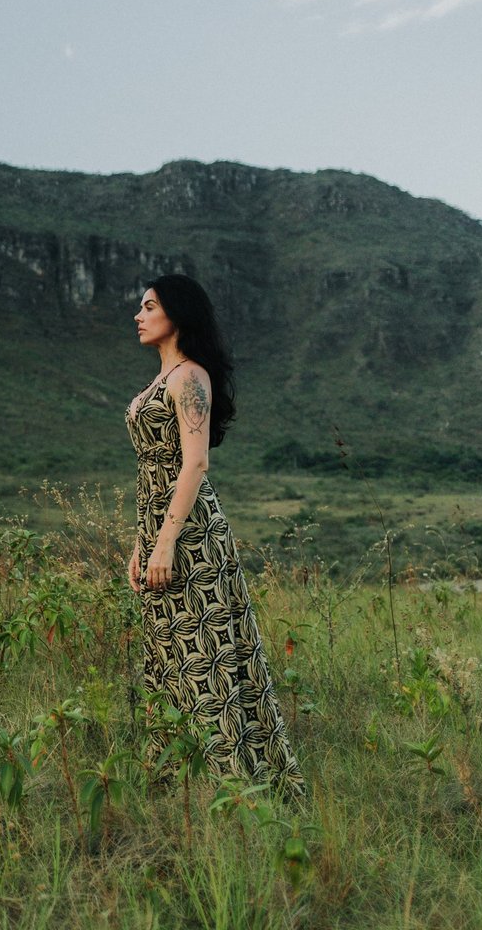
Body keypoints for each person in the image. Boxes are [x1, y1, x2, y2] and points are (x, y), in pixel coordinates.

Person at [125, 274, 304, 802]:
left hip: (192, 537)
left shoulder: (189, 377)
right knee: (167, 655)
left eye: (149, 306)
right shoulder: (162, 380)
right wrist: (141, 542)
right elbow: (150, 472)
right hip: (160, 528)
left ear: (177, 314)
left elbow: (195, 463)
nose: (138, 315)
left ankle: (237, 788)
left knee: (206, 655)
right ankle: (178, 787)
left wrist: (165, 543)